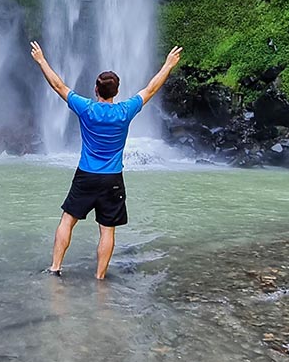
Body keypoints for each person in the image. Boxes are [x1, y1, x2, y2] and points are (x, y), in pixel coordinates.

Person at [30, 39, 183, 280]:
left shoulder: (86, 109)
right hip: (112, 178)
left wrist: (41, 61)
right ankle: (100, 277)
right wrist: (168, 65)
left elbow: (58, 86)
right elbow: (151, 89)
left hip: (86, 175)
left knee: (67, 220)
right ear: (117, 92)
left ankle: (55, 268)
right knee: (107, 230)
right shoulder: (125, 111)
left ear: (96, 89)